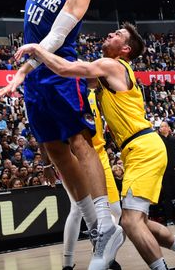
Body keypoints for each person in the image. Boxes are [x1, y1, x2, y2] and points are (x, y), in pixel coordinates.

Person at [0, 0, 121, 269]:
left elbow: (56, 37)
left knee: (79, 143)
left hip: (60, 75)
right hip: (34, 80)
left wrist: (25, 66)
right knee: (52, 149)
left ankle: (106, 220)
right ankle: (92, 224)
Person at [16, 23, 175, 270]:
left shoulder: (112, 65)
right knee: (136, 220)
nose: (110, 34)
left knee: (130, 222)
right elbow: (77, 80)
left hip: (143, 147)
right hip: (135, 149)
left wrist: (38, 49)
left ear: (125, 49)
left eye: (117, 34)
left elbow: (66, 68)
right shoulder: (107, 72)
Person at [59, 87, 123, 270]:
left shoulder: (95, 93)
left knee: (116, 211)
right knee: (77, 209)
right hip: (77, 157)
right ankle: (68, 262)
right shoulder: (66, 93)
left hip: (100, 157)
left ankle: (104, 253)